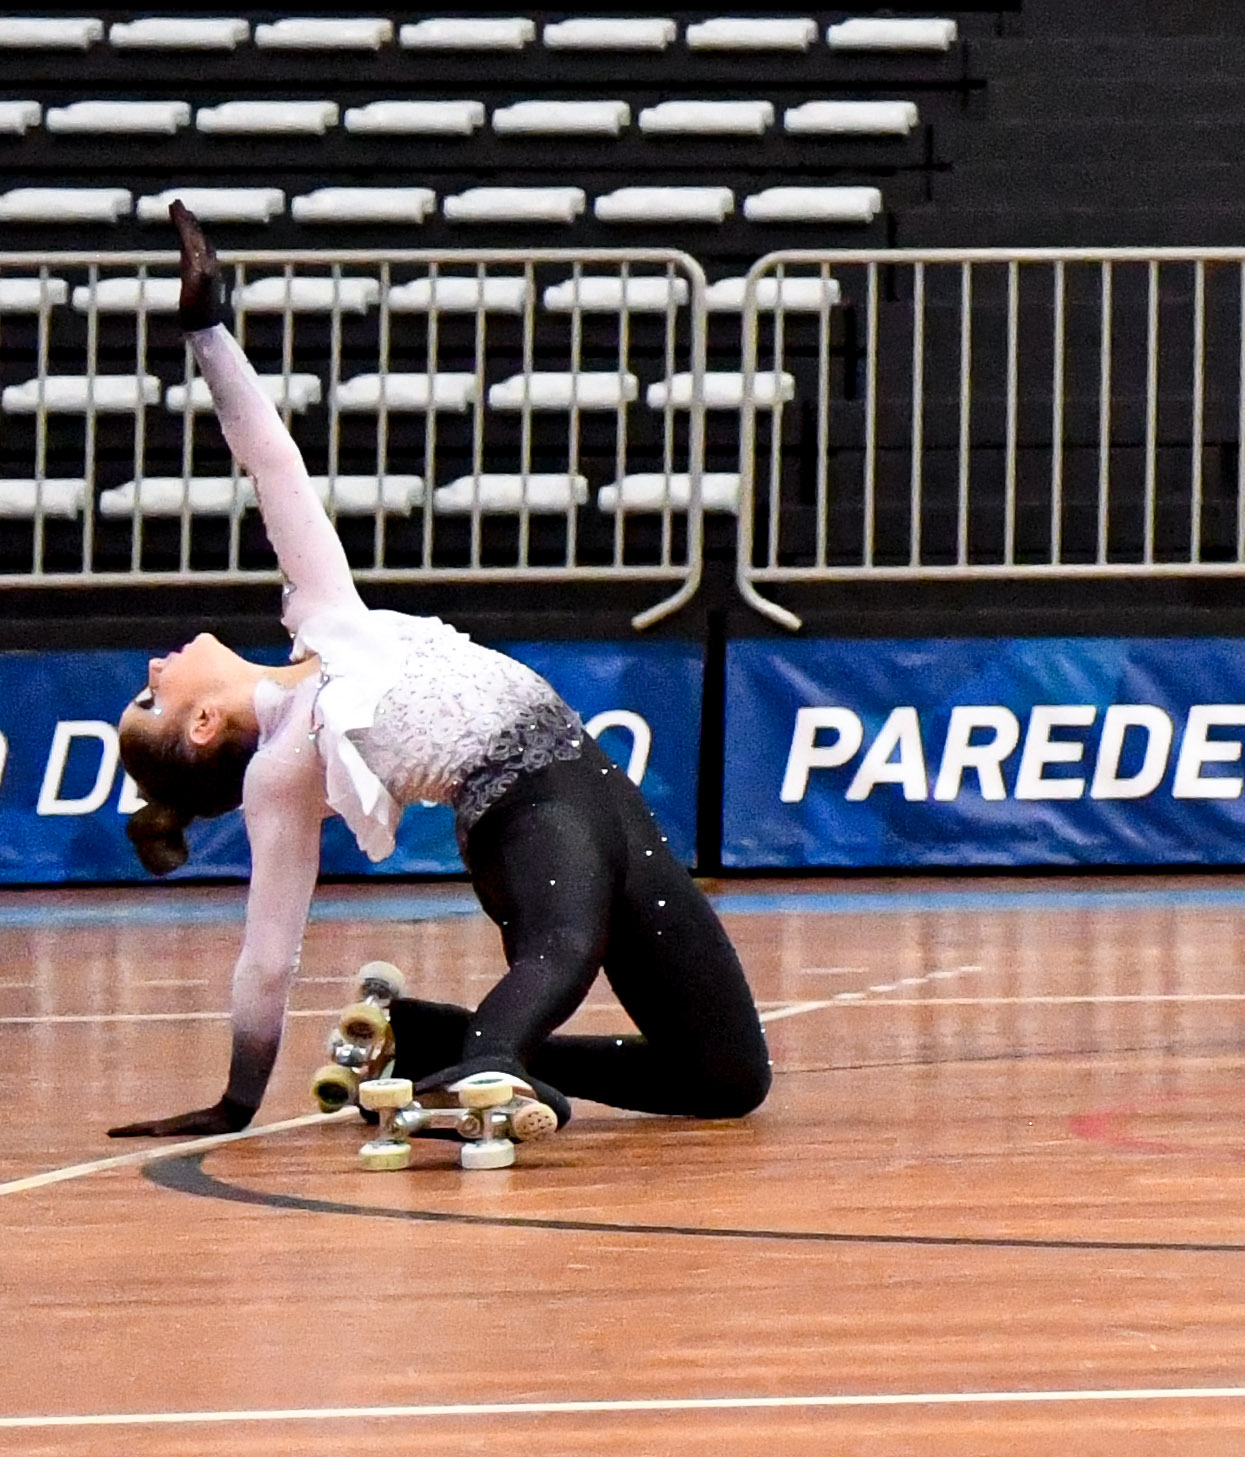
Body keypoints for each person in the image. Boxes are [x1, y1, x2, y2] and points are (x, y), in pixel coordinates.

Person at [102, 214, 769, 1152]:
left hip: (595, 781)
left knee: (727, 1076)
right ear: (204, 724)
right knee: (562, 949)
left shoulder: (323, 613)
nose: (153, 668)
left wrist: (208, 331)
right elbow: (267, 954)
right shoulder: (282, 773)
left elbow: (271, 458)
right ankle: (488, 1064)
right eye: (152, 699)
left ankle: (442, 1043)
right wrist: (236, 1100)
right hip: (518, 808)